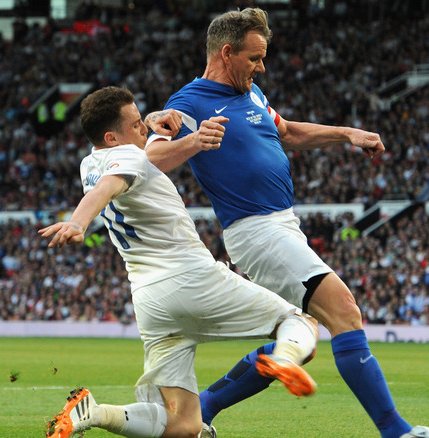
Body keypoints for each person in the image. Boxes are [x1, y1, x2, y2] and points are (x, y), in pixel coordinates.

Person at [144, 7, 429, 438]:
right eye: (254, 57)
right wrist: (195, 140)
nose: (261, 66)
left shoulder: (252, 95)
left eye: (263, 56)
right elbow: (153, 155)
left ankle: (206, 413)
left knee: (301, 340)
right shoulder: (188, 103)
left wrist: (346, 133)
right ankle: (397, 431)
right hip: (256, 229)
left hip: (281, 225)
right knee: (345, 312)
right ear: (227, 52)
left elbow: (288, 131)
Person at [40, 86, 318, 438]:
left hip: (149, 300)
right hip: (189, 277)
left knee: (184, 426)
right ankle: (284, 359)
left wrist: (156, 120)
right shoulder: (128, 157)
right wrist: (78, 223)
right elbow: (108, 186)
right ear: (112, 137)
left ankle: (93, 413)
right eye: (137, 124)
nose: (144, 128)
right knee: (299, 323)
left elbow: (111, 174)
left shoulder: (89, 163)